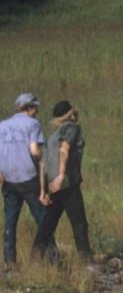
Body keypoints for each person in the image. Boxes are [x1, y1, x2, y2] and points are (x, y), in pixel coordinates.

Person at [33, 99, 92, 264]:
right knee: (79, 223)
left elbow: (43, 163)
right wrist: (61, 175)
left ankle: (34, 260)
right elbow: (64, 150)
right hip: (66, 182)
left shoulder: (52, 136)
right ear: (70, 112)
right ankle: (86, 262)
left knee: (47, 225)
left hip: (52, 185)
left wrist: (43, 191)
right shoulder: (72, 128)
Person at [0, 92, 48, 268]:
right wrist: (44, 160)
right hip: (27, 176)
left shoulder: (2, 125)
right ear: (30, 107)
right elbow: (34, 150)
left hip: (8, 178)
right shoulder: (32, 124)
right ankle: (51, 258)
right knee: (43, 218)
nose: (36, 111)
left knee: (10, 220)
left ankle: (9, 261)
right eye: (36, 107)